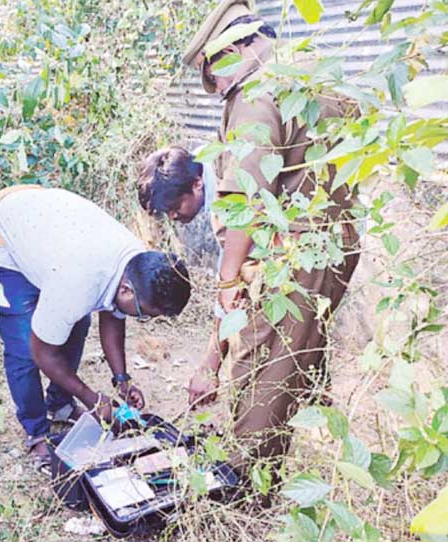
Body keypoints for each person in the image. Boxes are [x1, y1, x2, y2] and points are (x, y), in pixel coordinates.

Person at [139, 0, 359, 486]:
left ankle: (243, 490)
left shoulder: (256, 93)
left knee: (259, 372)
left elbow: (248, 205)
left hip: (297, 254)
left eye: (213, 75)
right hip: (335, 243)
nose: (215, 89)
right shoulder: (309, 70)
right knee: (295, 364)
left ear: (237, 47)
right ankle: (281, 469)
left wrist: (227, 281)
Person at [0, 186, 191, 473]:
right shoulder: (77, 283)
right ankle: (37, 430)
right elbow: (42, 352)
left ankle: (59, 405)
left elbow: (113, 314)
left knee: (78, 322)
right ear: (127, 289)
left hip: (47, 231)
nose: (143, 319)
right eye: (145, 315)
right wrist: (91, 398)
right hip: (1, 238)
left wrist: (121, 380)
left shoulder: (137, 263)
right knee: (24, 347)